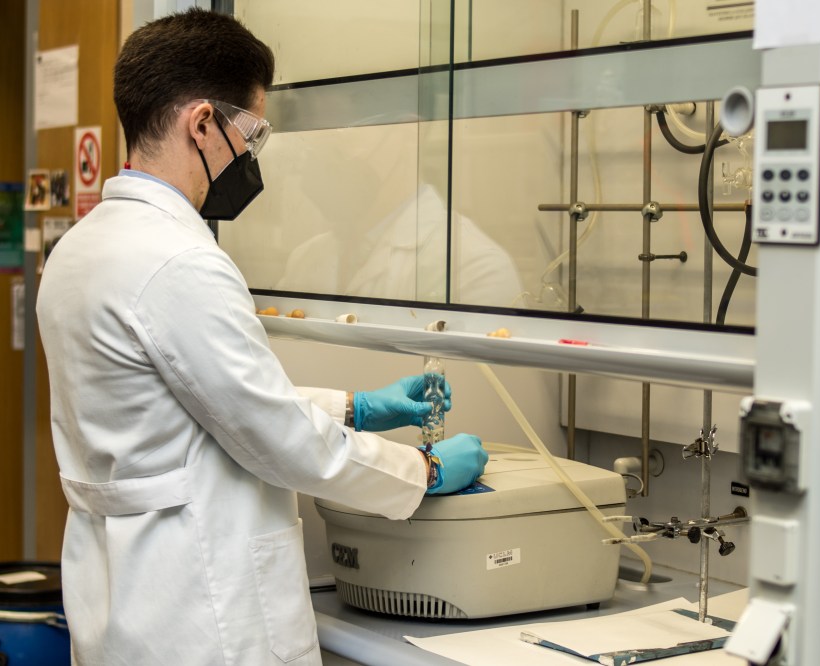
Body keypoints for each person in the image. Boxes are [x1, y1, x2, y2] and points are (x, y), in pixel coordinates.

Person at [35, 8, 487, 666]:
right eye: (251, 133)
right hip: (202, 613)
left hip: (120, 599)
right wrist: (424, 470)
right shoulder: (179, 261)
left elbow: (198, 406)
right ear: (202, 124)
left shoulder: (82, 248)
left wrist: (355, 408)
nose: (251, 155)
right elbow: (278, 439)